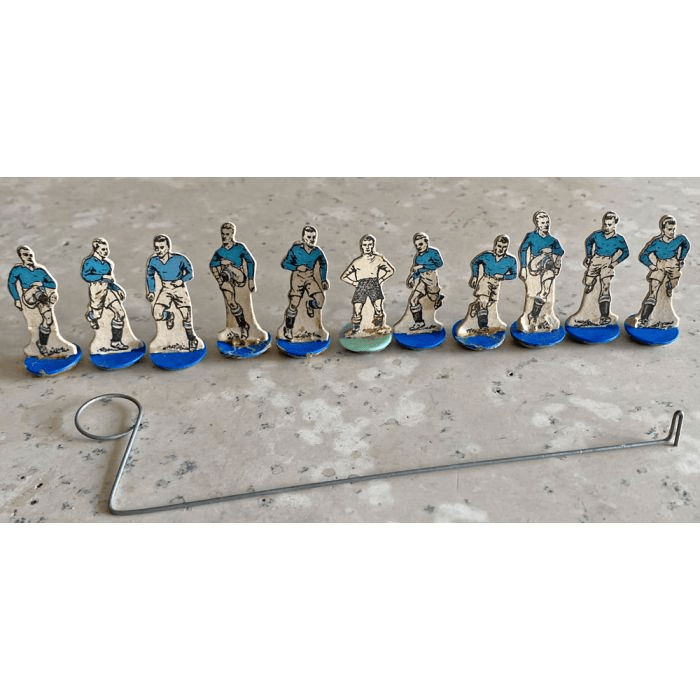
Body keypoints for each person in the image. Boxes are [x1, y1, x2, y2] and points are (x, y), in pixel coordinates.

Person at [146, 234, 199, 351]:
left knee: (186, 316)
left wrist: (181, 280)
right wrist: (151, 291)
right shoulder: (153, 261)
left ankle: (192, 339)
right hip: (166, 289)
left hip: (179, 288)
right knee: (157, 314)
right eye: (156, 248)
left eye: (162, 247)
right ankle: (170, 316)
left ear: (168, 247)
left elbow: (190, 273)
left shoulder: (179, 259)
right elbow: (149, 276)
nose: (159, 250)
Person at [636, 215, 690, 326]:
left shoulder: (679, 239)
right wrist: (651, 265)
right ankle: (644, 318)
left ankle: (669, 287)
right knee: (653, 290)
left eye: (674, 229)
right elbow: (643, 255)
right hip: (660, 265)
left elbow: (686, 245)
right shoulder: (656, 242)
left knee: (673, 281)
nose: (672, 232)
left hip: (673, 265)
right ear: (663, 229)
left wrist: (681, 259)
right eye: (669, 229)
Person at [577, 211, 629, 324]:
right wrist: (589, 256)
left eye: (609, 225)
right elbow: (588, 242)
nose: (606, 227)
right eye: (605, 224)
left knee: (606, 286)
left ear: (615, 225)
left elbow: (626, 252)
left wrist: (615, 262)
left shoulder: (619, 239)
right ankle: (590, 282)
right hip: (596, 259)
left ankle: (604, 315)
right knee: (588, 281)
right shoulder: (597, 235)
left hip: (608, 262)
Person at [7, 245, 59, 356]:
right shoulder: (18, 269)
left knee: (48, 319)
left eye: (31, 255)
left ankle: (42, 344)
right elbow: (11, 283)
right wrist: (17, 299)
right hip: (29, 295)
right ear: (21, 256)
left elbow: (52, 284)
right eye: (26, 255)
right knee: (35, 289)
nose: (29, 257)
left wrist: (41, 283)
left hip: (41, 295)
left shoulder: (40, 270)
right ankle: (43, 297)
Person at [280, 224, 329, 340]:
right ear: (303, 238)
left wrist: (323, 279)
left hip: (310, 277)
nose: (312, 240)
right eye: (309, 237)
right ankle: (288, 328)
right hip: (298, 277)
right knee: (294, 303)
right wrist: (297, 267)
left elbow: (324, 264)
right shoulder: (296, 249)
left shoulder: (317, 251)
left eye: (314, 237)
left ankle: (310, 305)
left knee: (320, 301)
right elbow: (284, 263)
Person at [518, 210, 564, 331]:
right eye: (543, 223)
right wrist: (523, 267)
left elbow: (560, 251)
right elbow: (523, 250)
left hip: (547, 265)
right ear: (537, 224)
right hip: (534, 265)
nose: (546, 225)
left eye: (547, 222)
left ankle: (535, 316)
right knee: (531, 293)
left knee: (546, 292)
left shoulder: (552, 240)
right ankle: (529, 316)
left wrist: (551, 251)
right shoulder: (531, 236)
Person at [209, 222, 256, 339]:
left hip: (239, 276)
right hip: (226, 278)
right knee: (231, 303)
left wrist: (251, 279)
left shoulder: (239, 247)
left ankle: (250, 328)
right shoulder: (219, 252)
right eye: (222, 234)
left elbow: (251, 261)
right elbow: (212, 264)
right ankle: (243, 326)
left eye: (227, 234)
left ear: (232, 234)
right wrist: (221, 262)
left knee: (230, 269)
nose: (224, 237)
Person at [81, 238, 129, 350]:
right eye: (103, 249)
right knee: (97, 315)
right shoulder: (89, 262)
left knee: (120, 313)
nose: (106, 251)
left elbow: (110, 280)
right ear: (96, 249)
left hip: (108, 290)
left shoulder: (107, 264)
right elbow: (85, 276)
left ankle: (116, 342)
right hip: (97, 291)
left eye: (107, 249)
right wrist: (101, 277)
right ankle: (91, 316)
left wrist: (117, 289)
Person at [340, 235, 395, 334]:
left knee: (378, 308)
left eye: (370, 244)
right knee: (357, 308)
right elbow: (344, 276)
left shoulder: (378, 259)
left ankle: (379, 327)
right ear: (361, 246)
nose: (367, 247)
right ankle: (356, 330)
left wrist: (381, 279)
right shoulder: (357, 262)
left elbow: (390, 270)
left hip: (374, 284)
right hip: (361, 286)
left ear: (373, 245)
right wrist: (354, 283)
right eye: (365, 245)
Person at [468, 235, 518, 330]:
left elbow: (514, 274)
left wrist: (503, 276)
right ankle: (483, 326)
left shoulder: (511, 260)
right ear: (495, 245)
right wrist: (475, 276)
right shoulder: (487, 255)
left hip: (497, 283)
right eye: (499, 246)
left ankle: (475, 306)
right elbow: (475, 262)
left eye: (504, 247)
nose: (501, 249)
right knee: (484, 301)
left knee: (490, 303)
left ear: (507, 247)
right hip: (486, 280)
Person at [404, 232, 444, 330]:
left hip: (431, 280)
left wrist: (422, 266)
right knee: (413, 300)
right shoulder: (418, 257)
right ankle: (419, 323)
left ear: (427, 242)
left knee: (433, 299)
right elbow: (417, 271)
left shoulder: (433, 252)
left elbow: (439, 264)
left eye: (421, 244)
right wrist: (412, 277)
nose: (418, 247)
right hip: (422, 281)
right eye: (416, 245)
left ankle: (438, 297)